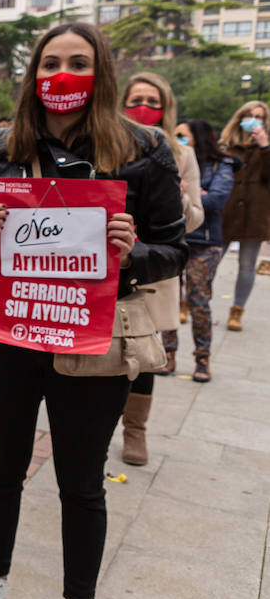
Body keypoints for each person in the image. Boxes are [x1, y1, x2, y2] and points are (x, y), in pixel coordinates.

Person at [0, 21, 186, 599]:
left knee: (80, 482)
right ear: (32, 75)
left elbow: (176, 249)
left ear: (101, 72)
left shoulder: (142, 150)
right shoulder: (2, 148)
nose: (63, 74)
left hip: (92, 342)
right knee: (3, 468)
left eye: (78, 63)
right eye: (50, 62)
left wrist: (130, 251)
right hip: (7, 338)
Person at [118, 72, 202, 465]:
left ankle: (136, 431)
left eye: (154, 101)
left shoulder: (181, 153)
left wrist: (180, 202)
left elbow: (197, 219)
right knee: (107, 351)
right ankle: (99, 424)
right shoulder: (109, 145)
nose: (144, 108)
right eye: (137, 99)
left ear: (166, 107)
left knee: (144, 355)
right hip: (109, 262)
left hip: (153, 266)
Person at [174, 119, 237, 382]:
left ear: (198, 138)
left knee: (199, 301)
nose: (177, 139)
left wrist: (190, 194)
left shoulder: (221, 164)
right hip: (176, 239)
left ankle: (202, 358)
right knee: (171, 298)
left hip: (206, 241)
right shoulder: (173, 161)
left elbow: (217, 200)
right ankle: (167, 354)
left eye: (182, 135)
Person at [220, 99, 270, 331]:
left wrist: (265, 147)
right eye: (250, 115)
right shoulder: (225, 145)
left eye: (259, 117)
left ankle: (237, 311)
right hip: (225, 212)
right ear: (240, 119)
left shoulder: (266, 148)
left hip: (255, 214)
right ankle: (192, 301)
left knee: (248, 265)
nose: (254, 120)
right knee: (209, 260)